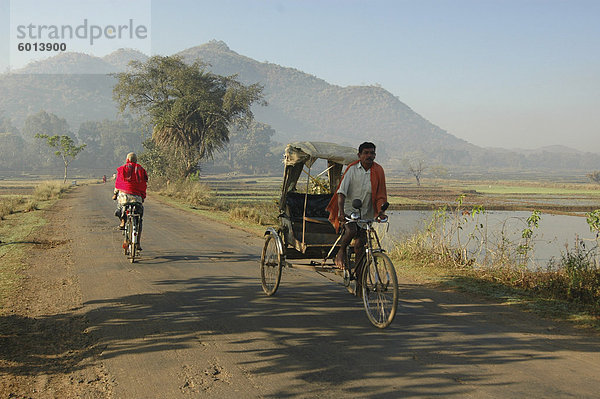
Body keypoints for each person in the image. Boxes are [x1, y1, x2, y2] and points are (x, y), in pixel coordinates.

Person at [326, 142, 387, 294]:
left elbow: (380, 195)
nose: (369, 156)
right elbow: (341, 193)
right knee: (351, 230)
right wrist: (340, 213)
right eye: (366, 153)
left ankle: (360, 285)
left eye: (372, 153)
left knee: (361, 247)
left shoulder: (378, 170)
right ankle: (340, 252)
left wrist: (380, 211)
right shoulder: (352, 170)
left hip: (366, 211)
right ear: (359, 155)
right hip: (348, 209)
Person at [112, 152, 148, 249]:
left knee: (120, 209)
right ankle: (138, 243)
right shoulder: (141, 170)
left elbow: (118, 184)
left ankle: (123, 221)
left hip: (124, 198)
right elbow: (143, 184)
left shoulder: (123, 169)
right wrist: (142, 196)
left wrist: (115, 194)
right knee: (139, 220)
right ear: (136, 160)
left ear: (127, 159)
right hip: (137, 198)